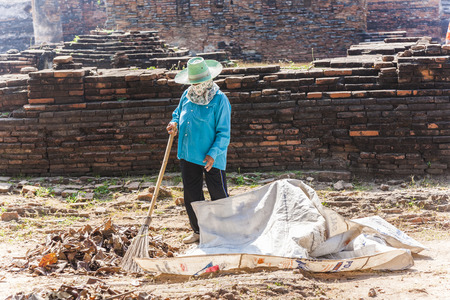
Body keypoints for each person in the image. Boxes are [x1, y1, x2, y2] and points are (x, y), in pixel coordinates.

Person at [166, 57, 231, 244]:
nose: (196, 86)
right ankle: (198, 231)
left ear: (208, 79)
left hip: (212, 157)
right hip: (188, 153)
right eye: (193, 82)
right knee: (192, 195)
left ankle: (227, 231)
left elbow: (224, 133)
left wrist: (213, 153)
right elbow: (178, 114)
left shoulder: (220, 100)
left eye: (199, 82)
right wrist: (174, 124)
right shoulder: (187, 95)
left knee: (218, 194)